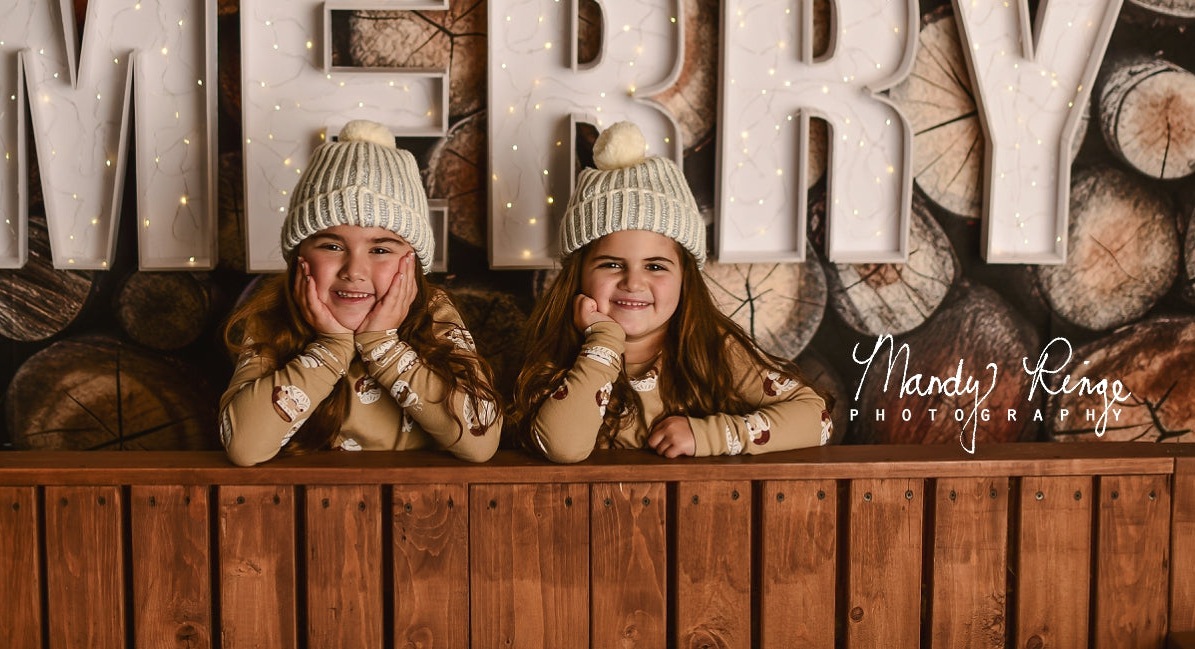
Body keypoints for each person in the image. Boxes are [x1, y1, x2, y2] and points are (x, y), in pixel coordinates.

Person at [515, 120, 832, 462]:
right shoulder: (558, 352)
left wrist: (710, 435)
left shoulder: (714, 349)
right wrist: (603, 343)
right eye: (611, 264)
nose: (633, 283)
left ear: (685, 277)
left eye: (655, 266)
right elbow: (561, 445)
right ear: (578, 273)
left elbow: (818, 419)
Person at [219, 120, 500, 465]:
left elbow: (481, 442)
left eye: (380, 250)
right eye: (332, 246)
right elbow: (243, 447)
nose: (354, 270)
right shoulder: (271, 315)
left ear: (412, 264)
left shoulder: (433, 312)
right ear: (299, 258)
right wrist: (331, 346)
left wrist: (383, 345)